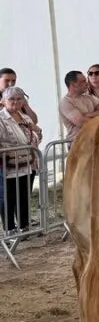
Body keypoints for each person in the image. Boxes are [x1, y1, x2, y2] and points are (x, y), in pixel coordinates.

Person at [0, 86, 42, 232]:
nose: (15, 102)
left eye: (19, 99)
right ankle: (9, 229)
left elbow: (37, 137)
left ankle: (24, 226)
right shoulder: (1, 118)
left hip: (29, 164)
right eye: (11, 99)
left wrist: (37, 131)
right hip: (9, 166)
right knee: (8, 198)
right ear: (3, 101)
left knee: (24, 196)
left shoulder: (25, 117)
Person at [59, 70, 99, 139]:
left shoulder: (89, 97)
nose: (87, 83)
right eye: (83, 81)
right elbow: (82, 123)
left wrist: (88, 114)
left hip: (95, 140)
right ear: (73, 85)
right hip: (78, 144)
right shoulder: (66, 103)